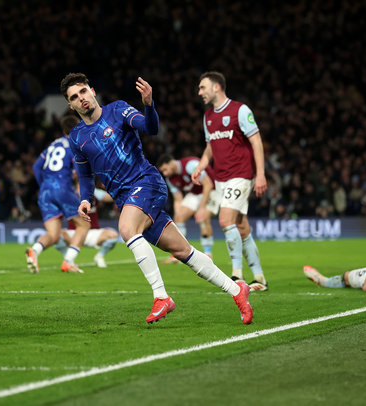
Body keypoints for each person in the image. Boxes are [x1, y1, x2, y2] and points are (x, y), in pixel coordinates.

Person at [61, 72, 253, 324]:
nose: (81, 98)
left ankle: (161, 297)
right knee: (184, 252)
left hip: (146, 182)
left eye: (83, 91)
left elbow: (150, 127)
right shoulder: (77, 137)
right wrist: (85, 199)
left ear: (93, 91)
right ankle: (237, 290)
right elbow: (85, 175)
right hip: (125, 198)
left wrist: (149, 104)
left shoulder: (117, 110)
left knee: (127, 228)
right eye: (74, 97)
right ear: (70, 105)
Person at [192, 71, 268, 292]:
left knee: (225, 220)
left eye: (202, 87)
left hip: (241, 175)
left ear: (216, 87)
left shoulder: (240, 110)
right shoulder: (207, 117)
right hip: (221, 179)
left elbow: (256, 142)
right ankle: (260, 277)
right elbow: (210, 147)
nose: (200, 92)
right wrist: (201, 165)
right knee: (242, 227)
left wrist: (260, 174)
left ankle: (237, 275)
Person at [24, 115, 91, 274]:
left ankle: (34, 251)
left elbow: (36, 167)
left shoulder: (52, 144)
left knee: (53, 235)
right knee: (84, 225)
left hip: (45, 191)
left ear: (63, 130)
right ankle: (68, 261)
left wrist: (44, 185)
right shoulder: (74, 144)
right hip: (62, 188)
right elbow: (79, 168)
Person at [156, 153, 220, 263]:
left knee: (203, 218)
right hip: (195, 194)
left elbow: (208, 184)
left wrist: (201, 208)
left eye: (165, 169)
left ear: (171, 163)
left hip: (212, 190)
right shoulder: (170, 179)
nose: (165, 173)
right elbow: (178, 199)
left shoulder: (190, 165)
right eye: (163, 171)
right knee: (179, 217)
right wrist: (176, 217)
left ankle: (208, 254)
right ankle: (179, 253)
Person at [54, 187, 120, 268]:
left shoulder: (93, 191)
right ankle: (68, 258)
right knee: (55, 235)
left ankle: (100, 256)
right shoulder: (67, 193)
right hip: (73, 233)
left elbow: (110, 198)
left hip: (92, 232)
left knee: (113, 234)